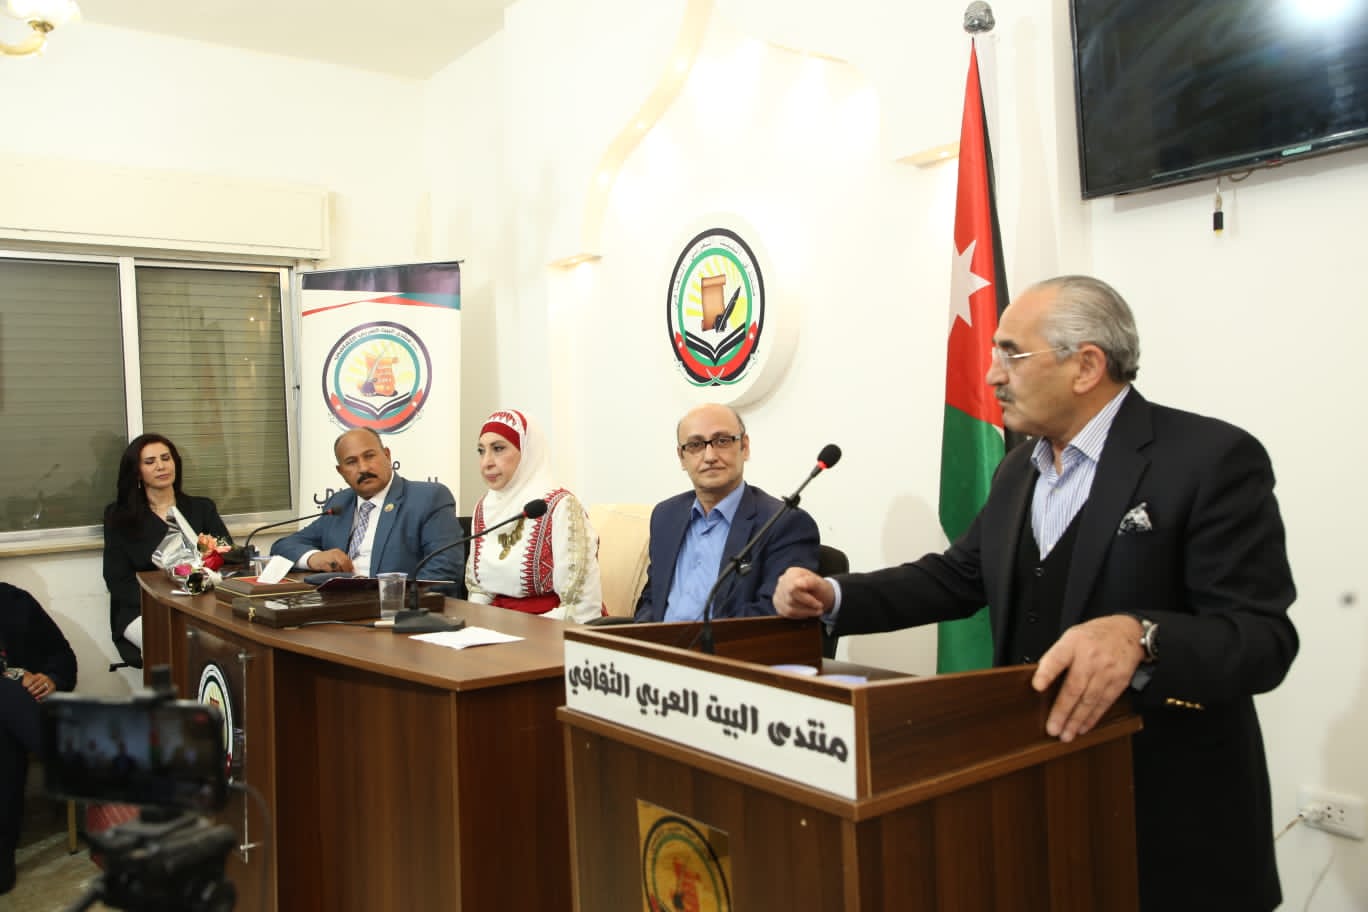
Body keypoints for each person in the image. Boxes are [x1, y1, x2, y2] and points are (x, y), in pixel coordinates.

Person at [774, 275, 1297, 911]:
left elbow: (1262, 639)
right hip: (1037, 808)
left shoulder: (1209, 458)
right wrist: (834, 596)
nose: (992, 375)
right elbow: (958, 576)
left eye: (1011, 354)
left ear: (1086, 366)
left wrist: (1142, 635)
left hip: (1167, 826)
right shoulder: (1017, 468)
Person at [635, 403, 820, 623]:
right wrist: (639, 638)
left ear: (744, 447)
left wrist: (693, 640)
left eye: (722, 441)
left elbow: (772, 617)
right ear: (682, 457)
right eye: (695, 445)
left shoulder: (783, 523)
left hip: (729, 644)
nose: (710, 456)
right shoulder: (666, 516)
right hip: (657, 643)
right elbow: (652, 599)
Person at [103, 434, 231, 668]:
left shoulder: (202, 508)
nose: (161, 466)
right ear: (137, 471)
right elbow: (117, 579)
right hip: (144, 608)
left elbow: (227, 555)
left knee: (230, 645)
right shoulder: (119, 516)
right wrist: (166, 600)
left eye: (165, 458)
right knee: (179, 646)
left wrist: (211, 560)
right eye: (150, 462)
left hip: (203, 604)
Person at [272, 427, 464, 580]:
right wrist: (313, 558)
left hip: (396, 608)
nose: (363, 468)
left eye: (370, 456)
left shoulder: (428, 498)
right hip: (339, 606)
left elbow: (444, 569)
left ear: (387, 455)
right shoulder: (339, 504)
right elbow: (283, 547)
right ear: (341, 471)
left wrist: (395, 602)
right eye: (351, 462)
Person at [464, 409, 602, 623]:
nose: (486, 462)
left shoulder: (560, 507)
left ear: (527, 452)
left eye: (498, 449)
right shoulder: (484, 507)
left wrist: (516, 629)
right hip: (498, 627)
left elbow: (582, 608)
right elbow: (480, 592)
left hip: (552, 628)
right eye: (481, 451)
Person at [0, 582, 78, 895]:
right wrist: (16, 678)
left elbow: (63, 655)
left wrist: (51, 679)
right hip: (15, 706)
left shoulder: (15, 600)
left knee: (4, 733)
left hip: (13, 720)